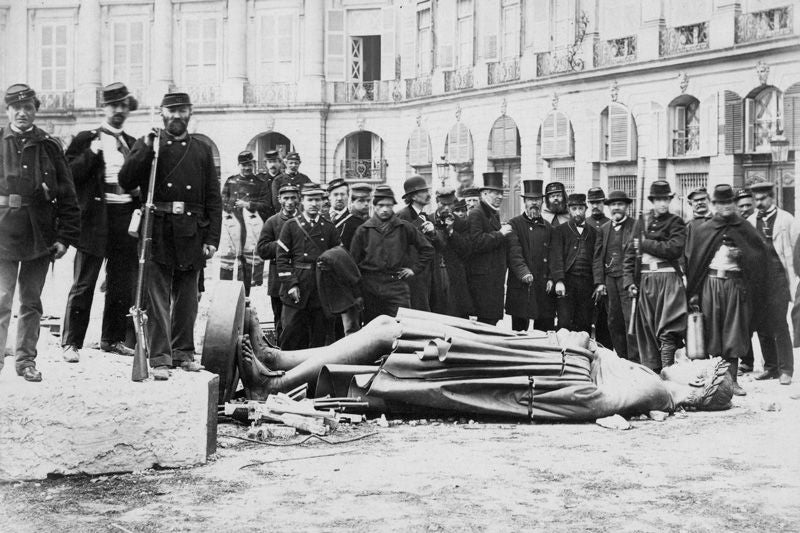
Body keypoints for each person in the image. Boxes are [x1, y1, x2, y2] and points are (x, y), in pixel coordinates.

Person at [118, 92, 222, 381]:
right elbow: (126, 180)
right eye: (171, 111)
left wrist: (212, 237)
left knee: (188, 297)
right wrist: (145, 149)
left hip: (192, 231)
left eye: (182, 111)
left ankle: (184, 353)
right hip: (158, 229)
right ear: (162, 113)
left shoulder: (200, 149)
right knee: (157, 297)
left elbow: (213, 198)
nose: (176, 116)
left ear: (190, 113)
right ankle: (160, 357)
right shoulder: (149, 143)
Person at [0, 84, 80, 382]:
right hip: (3, 231)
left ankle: (26, 361)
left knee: (31, 301)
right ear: (7, 110)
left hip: (39, 233)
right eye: (16, 108)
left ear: (36, 110)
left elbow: (69, 195)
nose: (22, 113)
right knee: (1, 298)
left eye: (28, 108)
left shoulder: (49, 146)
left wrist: (65, 237)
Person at [62, 82, 138, 362]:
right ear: (104, 108)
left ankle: (113, 339)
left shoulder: (132, 143)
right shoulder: (86, 138)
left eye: (123, 106)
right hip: (95, 220)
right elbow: (69, 176)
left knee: (121, 283)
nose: (118, 111)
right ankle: (72, 342)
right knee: (85, 282)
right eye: (113, 106)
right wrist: (92, 153)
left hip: (124, 220)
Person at [685, 184, 766, 396]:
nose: (726, 206)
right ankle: (716, 379)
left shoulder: (744, 227)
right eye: (721, 203)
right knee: (712, 330)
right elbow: (695, 263)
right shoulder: (705, 229)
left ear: (734, 203)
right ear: (714, 204)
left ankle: (733, 381)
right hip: (710, 285)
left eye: (729, 202)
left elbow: (759, 258)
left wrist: (742, 255)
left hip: (734, 284)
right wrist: (694, 292)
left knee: (734, 331)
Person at [623, 180, 687, 374]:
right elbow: (629, 255)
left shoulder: (676, 222)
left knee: (667, 327)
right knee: (647, 329)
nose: (662, 204)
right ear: (652, 201)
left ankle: (669, 372)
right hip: (645, 280)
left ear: (670, 200)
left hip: (667, 279)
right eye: (658, 199)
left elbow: (674, 249)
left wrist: (646, 244)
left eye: (665, 199)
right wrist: (628, 282)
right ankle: (655, 375)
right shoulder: (640, 223)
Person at [349, 185, 434, 322]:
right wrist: (357, 293)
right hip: (370, 287)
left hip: (396, 285)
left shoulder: (404, 227)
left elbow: (427, 249)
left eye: (388, 205)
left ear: (393, 206)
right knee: (373, 329)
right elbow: (353, 264)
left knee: (401, 327)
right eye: (381, 205)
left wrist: (414, 269)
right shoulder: (364, 230)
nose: (385, 209)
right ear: (374, 206)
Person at [275, 183, 340, 350]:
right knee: (291, 333)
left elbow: (338, 256)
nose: (314, 204)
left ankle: (313, 375)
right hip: (298, 286)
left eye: (317, 200)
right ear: (302, 201)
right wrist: (291, 285)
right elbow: (282, 259)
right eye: (310, 200)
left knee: (319, 335)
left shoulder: (329, 227)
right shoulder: (290, 226)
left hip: (320, 287)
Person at [748, 182, 796, 385]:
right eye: (756, 200)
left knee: (779, 323)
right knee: (762, 324)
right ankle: (771, 367)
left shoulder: (787, 219)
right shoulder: (750, 221)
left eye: (762, 199)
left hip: (779, 277)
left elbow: (795, 248)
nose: (758, 203)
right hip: (759, 279)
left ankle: (786, 369)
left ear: (772, 198)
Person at [505, 180, 561, 332]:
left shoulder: (549, 227)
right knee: (519, 334)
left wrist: (551, 278)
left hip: (544, 288)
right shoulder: (514, 224)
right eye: (530, 200)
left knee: (544, 333)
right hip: (522, 285)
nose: (534, 203)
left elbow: (554, 255)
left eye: (537, 200)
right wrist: (523, 273)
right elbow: (514, 253)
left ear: (542, 202)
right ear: (524, 202)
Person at [219, 150, 272, 295]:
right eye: (243, 165)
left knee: (247, 262)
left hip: (251, 226)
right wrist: (229, 207)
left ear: (253, 164)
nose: (247, 168)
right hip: (233, 224)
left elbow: (266, 205)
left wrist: (248, 205)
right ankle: (225, 294)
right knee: (228, 259)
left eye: (249, 164)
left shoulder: (261, 183)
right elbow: (222, 200)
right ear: (238, 165)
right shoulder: (231, 181)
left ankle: (244, 295)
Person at [593, 190, 637, 360]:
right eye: (613, 205)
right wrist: (599, 282)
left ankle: (635, 360)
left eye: (620, 204)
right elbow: (597, 258)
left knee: (630, 321)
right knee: (614, 321)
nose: (616, 208)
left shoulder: (635, 226)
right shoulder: (603, 229)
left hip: (628, 281)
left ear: (626, 207)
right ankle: (622, 358)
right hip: (609, 281)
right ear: (609, 207)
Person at [467, 172, 512, 325]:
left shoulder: (492, 213)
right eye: (496, 193)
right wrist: (500, 234)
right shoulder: (476, 214)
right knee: (485, 322)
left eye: (501, 193)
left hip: (492, 279)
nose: (500, 197)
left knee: (491, 320)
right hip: (483, 281)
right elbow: (476, 243)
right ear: (484, 194)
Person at [256, 184, 299, 344]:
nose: (289, 202)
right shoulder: (272, 222)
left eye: (293, 198)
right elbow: (261, 249)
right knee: (281, 321)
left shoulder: (303, 220)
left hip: (300, 277)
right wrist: (283, 244)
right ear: (279, 199)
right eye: (286, 198)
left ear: (299, 199)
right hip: (278, 280)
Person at [553, 193, 600, 334]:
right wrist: (559, 281)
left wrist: (597, 283)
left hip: (587, 283)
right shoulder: (560, 231)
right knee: (564, 323)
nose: (578, 212)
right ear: (569, 210)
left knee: (584, 323)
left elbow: (597, 259)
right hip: (568, 282)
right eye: (574, 209)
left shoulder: (594, 233)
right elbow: (556, 257)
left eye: (580, 208)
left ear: (586, 209)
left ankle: (580, 355)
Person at [397, 175, 440, 312]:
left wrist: (433, 232)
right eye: (424, 192)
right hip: (411, 276)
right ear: (414, 197)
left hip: (425, 274)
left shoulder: (424, 216)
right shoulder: (402, 216)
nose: (428, 195)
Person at [585, 186, 612, 348]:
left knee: (604, 321)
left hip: (604, 279)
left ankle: (606, 354)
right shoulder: (584, 223)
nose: (595, 206)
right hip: (586, 279)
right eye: (592, 202)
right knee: (586, 320)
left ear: (604, 203)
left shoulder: (609, 224)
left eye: (599, 202)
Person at [437, 196, 473, 318]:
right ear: (437, 203)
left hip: (455, 276)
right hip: (436, 274)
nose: (446, 207)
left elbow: (466, 249)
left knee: (457, 312)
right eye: (443, 203)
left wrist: (451, 232)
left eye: (450, 204)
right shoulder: (430, 219)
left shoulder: (461, 223)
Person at [734, 187, 756, 372]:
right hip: (741, 280)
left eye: (749, 205)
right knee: (744, 320)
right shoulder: (736, 226)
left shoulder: (758, 223)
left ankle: (774, 364)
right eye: (741, 206)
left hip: (760, 280)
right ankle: (747, 360)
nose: (745, 209)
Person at [336, 182, 371, 250]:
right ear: (352, 201)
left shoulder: (371, 221)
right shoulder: (345, 224)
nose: (366, 204)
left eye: (368, 201)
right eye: (361, 201)